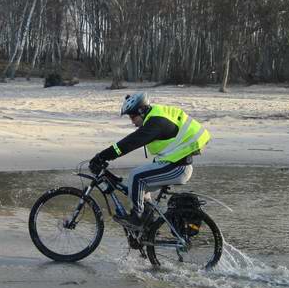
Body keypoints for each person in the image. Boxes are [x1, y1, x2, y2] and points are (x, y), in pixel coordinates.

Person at [89, 92, 210, 230]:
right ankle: (148, 224)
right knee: (139, 187)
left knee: (136, 176)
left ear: (141, 111)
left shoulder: (156, 122)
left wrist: (103, 156)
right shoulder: (155, 116)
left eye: (132, 116)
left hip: (178, 168)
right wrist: (105, 155)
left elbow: (130, 143)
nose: (131, 120)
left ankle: (138, 218)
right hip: (173, 164)